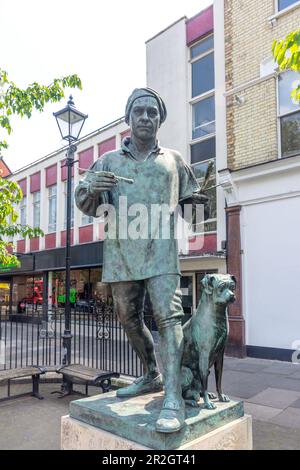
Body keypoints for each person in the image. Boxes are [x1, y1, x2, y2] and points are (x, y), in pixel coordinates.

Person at [75, 88, 208, 433]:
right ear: (128, 119)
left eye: (153, 112)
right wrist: (91, 187)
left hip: (162, 250)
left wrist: (198, 204)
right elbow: (85, 202)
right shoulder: (107, 160)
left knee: (169, 317)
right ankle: (151, 373)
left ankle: (174, 396)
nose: (146, 117)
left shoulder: (174, 160)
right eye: (140, 112)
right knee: (127, 317)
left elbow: (192, 207)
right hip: (121, 252)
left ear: (160, 120)